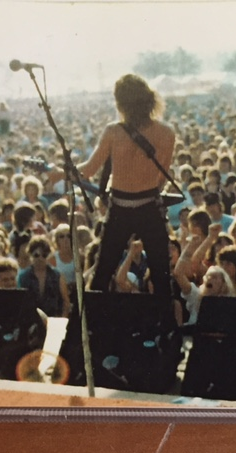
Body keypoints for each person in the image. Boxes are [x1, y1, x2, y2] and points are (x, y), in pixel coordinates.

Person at [48, 74, 175, 298]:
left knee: (102, 273)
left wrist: (60, 173)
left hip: (120, 209)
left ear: (121, 103)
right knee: (161, 276)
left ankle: (91, 320)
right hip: (150, 207)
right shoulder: (167, 133)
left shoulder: (114, 132)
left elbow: (88, 170)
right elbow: (161, 177)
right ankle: (164, 320)